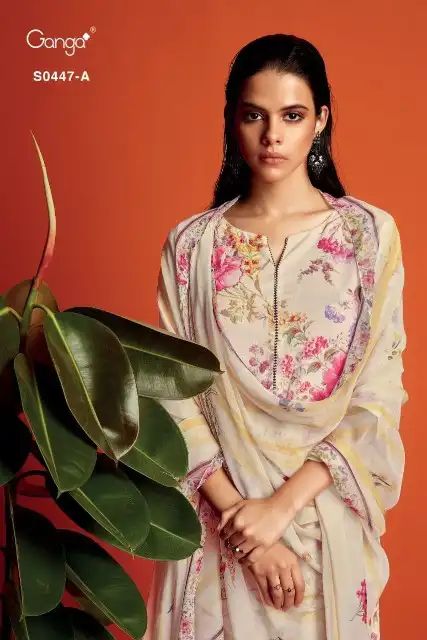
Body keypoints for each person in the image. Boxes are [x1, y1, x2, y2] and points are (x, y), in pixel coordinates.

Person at [143, 34, 408, 640]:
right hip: (220, 531)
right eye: (253, 115)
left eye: (292, 116)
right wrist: (248, 530)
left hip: (325, 532)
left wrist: (280, 510)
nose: (272, 136)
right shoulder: (192, 247)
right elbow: (171, 397)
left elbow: (377, 395)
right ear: (232, 120)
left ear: (321, 120)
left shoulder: (368, 237)